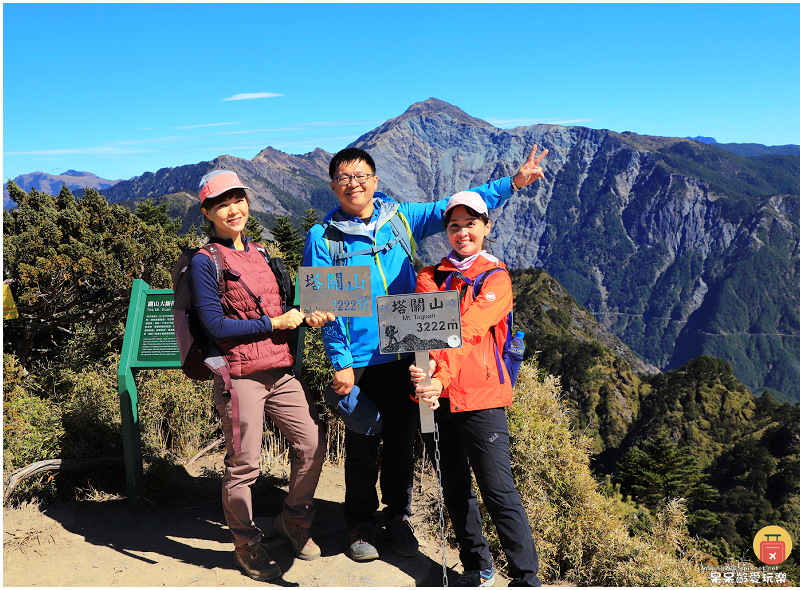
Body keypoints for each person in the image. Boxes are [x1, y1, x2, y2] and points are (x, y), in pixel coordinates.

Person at [302, 146, 548, 562]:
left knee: (401, 441)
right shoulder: (321, 236)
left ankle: (397, 517)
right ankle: (361, 523)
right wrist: (339, 362)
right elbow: (323, 306)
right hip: (360, 358)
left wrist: (514, 183)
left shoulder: (399, 217)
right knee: (362, 442)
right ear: (333, 187)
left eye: (361, 175)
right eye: (344, 178)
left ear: (375, 181)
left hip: (406, 350)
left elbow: (454, 209)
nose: (354, 183)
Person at [188, 170, 334, 582]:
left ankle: (294, 520)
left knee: (311, 442)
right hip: (238, 377)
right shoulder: (205, 261)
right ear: (208, 212)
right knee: (244, 464)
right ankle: (245, 541)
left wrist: (308, 317)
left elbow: (284, 310)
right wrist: (275, 322)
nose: (234, 209)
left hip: (280, 369)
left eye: (239, 200)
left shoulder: (263, 253)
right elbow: (216, 327)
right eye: (222, 204)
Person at [409, 187, 547, 587]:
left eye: (471, 224)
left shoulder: (497, 279)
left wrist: (438, 376)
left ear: (487, 226)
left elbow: (465, 330)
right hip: (436, 395)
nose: (462, 232)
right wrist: (428, 375)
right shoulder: (430, 276)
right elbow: (427, 331)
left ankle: (526, 578)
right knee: (454, 486)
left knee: (497, 489)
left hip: (479, 398)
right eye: (454, 226)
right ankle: (476, 566)